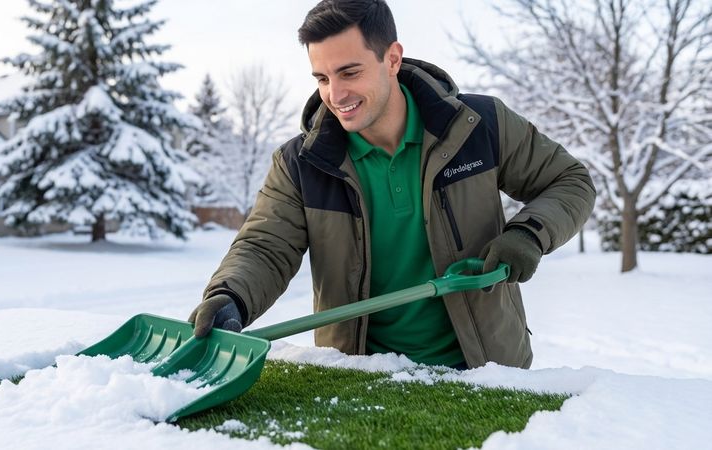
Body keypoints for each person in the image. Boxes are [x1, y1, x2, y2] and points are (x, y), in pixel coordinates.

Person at [188, 0, 595, 370]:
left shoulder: (479, 125)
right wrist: (231, 297)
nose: (336, 93)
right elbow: (265, 247)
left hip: (486, 369)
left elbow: (570, 181)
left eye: (349, 72)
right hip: (361, 376)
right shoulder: (301, 164)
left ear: (393, 59)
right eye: (322, 78)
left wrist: (529, 234)